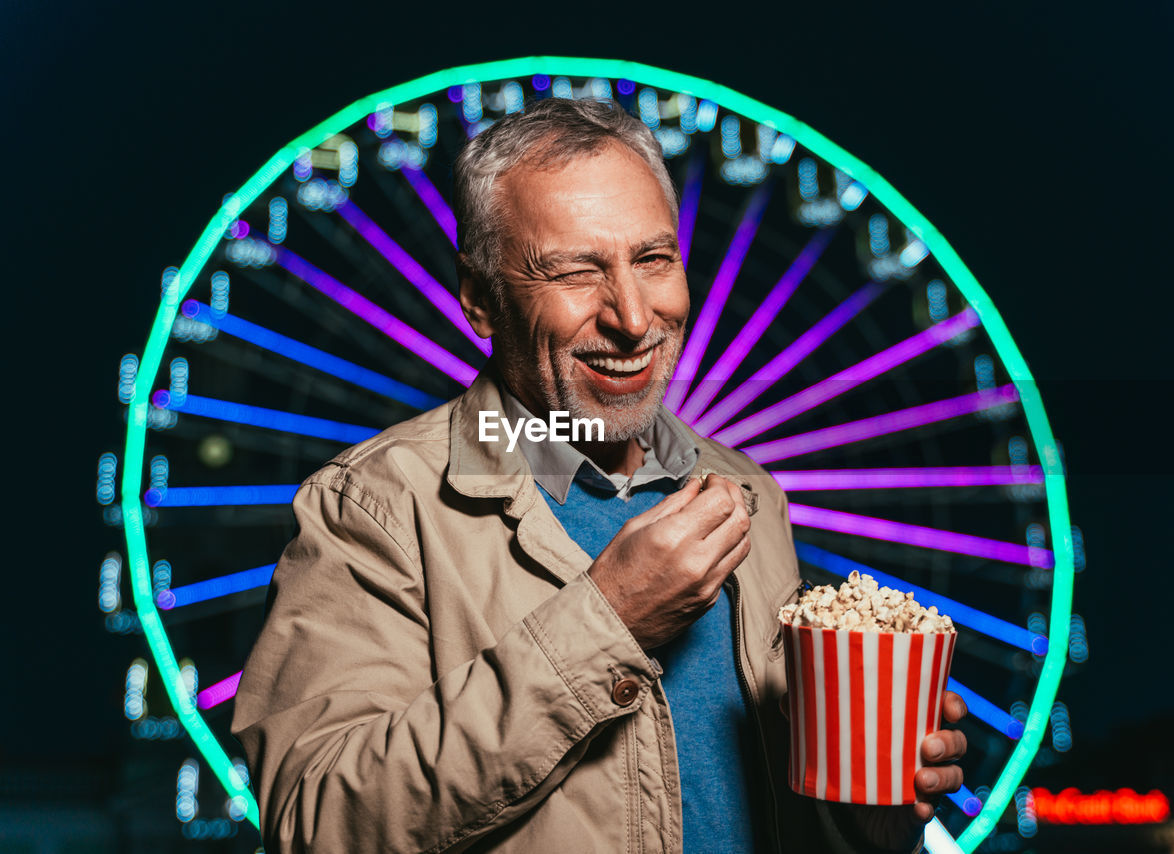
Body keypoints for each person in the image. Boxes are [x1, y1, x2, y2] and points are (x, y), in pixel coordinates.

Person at [231, 97, 967, 853]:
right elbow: (315, 822)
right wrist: (607, 620)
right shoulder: (378, 505)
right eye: (575, 271)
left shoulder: (749, 494)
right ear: (481, 300)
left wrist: (868, 824)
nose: (634, 318)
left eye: (653, 260)